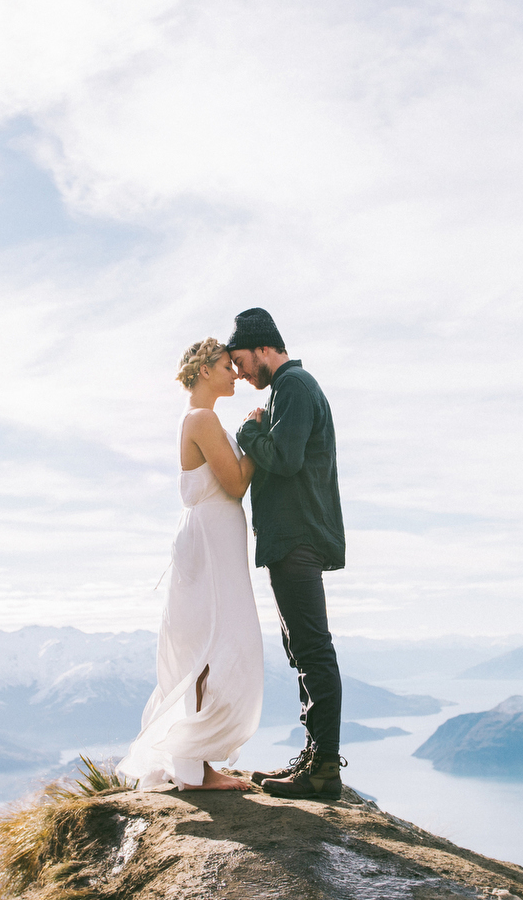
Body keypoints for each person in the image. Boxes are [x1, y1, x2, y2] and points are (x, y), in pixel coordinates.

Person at [117, 337, 264, 791]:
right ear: (204, 371)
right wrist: (256, 437)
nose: (235, 373)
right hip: (209, 544)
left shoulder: (204, 419)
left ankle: (194, 766)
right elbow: (236, 483)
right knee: (211, 647)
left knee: (211, 647)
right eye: (227, 366)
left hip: (214, 542)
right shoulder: (201, 419)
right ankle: (195, 767)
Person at [226, 308, 349, 801]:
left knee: (312, 650)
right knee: (303, 649)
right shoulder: (286, 390)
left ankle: (322, 771)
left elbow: (286, 458)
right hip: (293, 538)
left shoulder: (294, 386)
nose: (239, 372)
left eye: (239, 361)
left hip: (297, 536)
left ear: (261, 348)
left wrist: (248, 433)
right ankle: (315, 758)